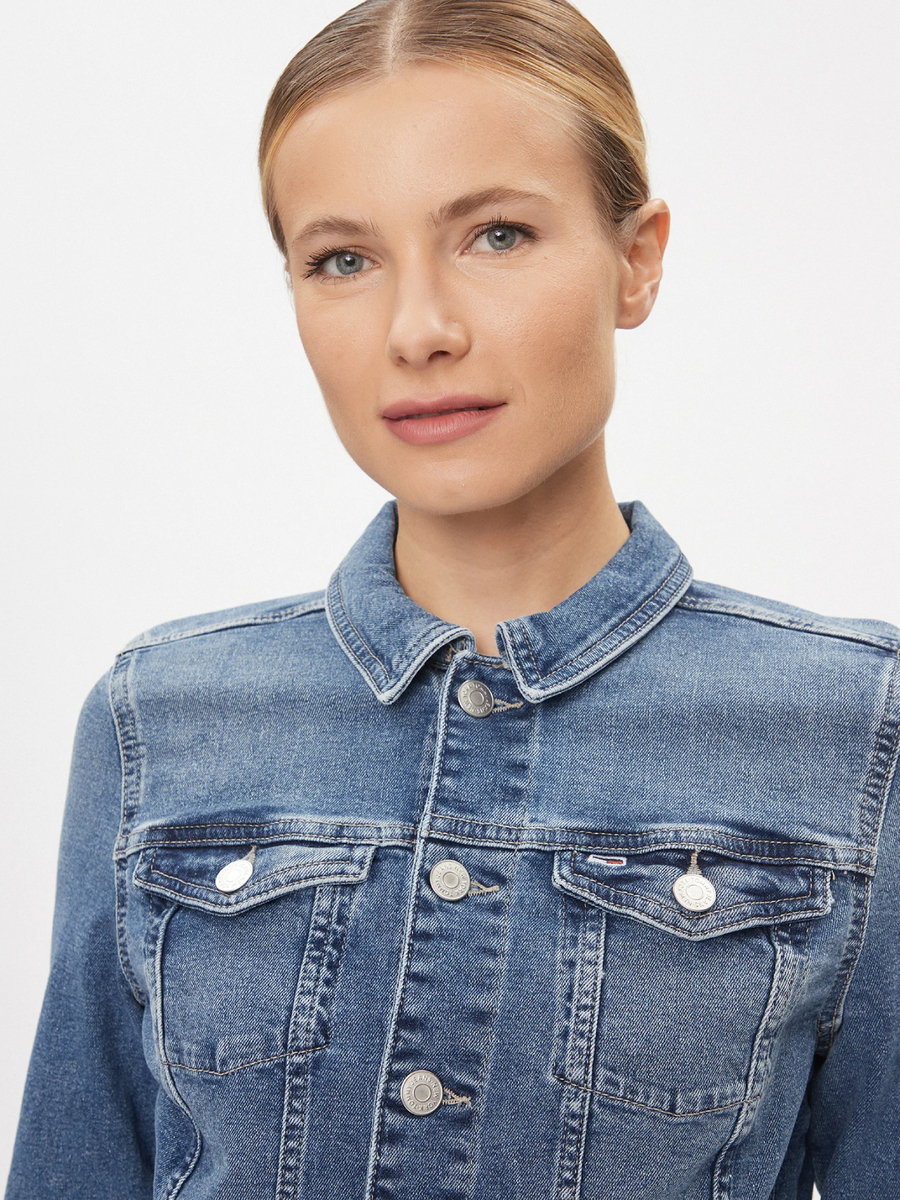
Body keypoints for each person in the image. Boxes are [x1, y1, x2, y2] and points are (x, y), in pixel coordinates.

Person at [6, 0, 899, 1196]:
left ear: (638, 259)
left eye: (497, 236)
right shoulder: (155, 719)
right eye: (343, 260)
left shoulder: (857, 732)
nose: (419, 330)